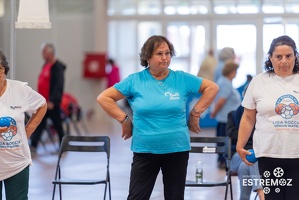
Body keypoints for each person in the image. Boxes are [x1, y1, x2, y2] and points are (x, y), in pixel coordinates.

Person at [97, 35, 219, 200]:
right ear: (147, 57)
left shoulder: (181, 78)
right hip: (145, 149)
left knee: (174, 197)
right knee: (137, 197)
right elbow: (103, 97)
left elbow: (212, 87)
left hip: (177, 148)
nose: (165, 58)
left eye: (168, 53)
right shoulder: (135, 81)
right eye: (159, 54)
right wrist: (124, 119)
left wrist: (195, 113)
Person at [237, 35, 299, 200]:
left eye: (288, 56)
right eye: (278, 57)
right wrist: (240, 145)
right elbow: (248, 118)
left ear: (295, 56)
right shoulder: (259, 81)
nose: (283, 61)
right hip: (269, 154)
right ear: (270, 58)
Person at [0, 49, 47, 199]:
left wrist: (28, 130)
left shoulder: (20, 90)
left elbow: (42, 105)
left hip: (17, 162)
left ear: (5, 70)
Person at [30, 42, 66, 154]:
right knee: (40, 122)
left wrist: (52, 101)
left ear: (50, 53)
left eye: (44, 52)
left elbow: (58, 85)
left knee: (57, 124)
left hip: (51, 103)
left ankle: (63, 146)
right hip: (43, 102)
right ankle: (33, 145)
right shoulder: (46, 65)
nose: (42, 54)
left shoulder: (57, 68)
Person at [227, 97, 264, 200]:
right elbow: (231, 135)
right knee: (252, 157)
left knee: (245, 165)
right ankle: (262, 193)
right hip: (236, 156)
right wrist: (246, 131)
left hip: (253, 157)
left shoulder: (262, 116)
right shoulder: (233, 114)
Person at [211, 61, 241, 168]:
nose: (236, 74)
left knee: (222, 141)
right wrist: (214, 112)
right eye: (235, 71)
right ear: (231, 71)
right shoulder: (226, 83)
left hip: (224, 119)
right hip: (225, 120)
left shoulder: (223, 81)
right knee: (225, 142)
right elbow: (221, 101)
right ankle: (224, 161)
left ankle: (223, 160)